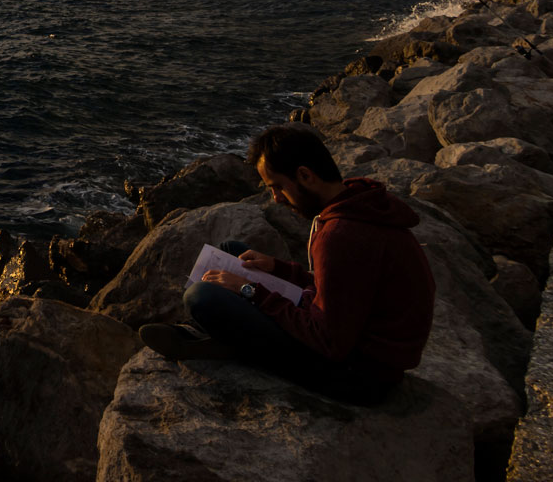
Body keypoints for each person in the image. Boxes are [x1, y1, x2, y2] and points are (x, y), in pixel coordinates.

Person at [137, 125, 435, 406]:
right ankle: (223, 334)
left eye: (278, 187)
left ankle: (223, 338)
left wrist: (249, 291)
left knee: (200, 296)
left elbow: (328, 340)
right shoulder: (357, 202)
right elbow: (344, 284)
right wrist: (279, 269)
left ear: (305, 175)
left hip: (357, 374)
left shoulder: (341, 235)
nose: (276, 199)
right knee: (231, 251)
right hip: (354, 339)